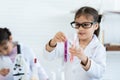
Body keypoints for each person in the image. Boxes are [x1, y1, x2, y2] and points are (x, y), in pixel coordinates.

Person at [44, 6, 106, 80]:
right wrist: (53, 42)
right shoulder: (69, 40)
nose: (80, 28)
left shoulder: (98, 48)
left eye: (85, 25)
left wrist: (84, 58)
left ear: (96, 26)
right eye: (77, 24)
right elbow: (48, 56)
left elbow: (99, 73)